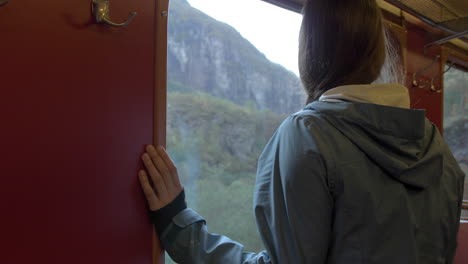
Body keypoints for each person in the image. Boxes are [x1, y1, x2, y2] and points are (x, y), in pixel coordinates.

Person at [138, 0, 466, 263]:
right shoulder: (437, 148)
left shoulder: (307, 135)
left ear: (310, 49)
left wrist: (176, 223)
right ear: (375, 51)